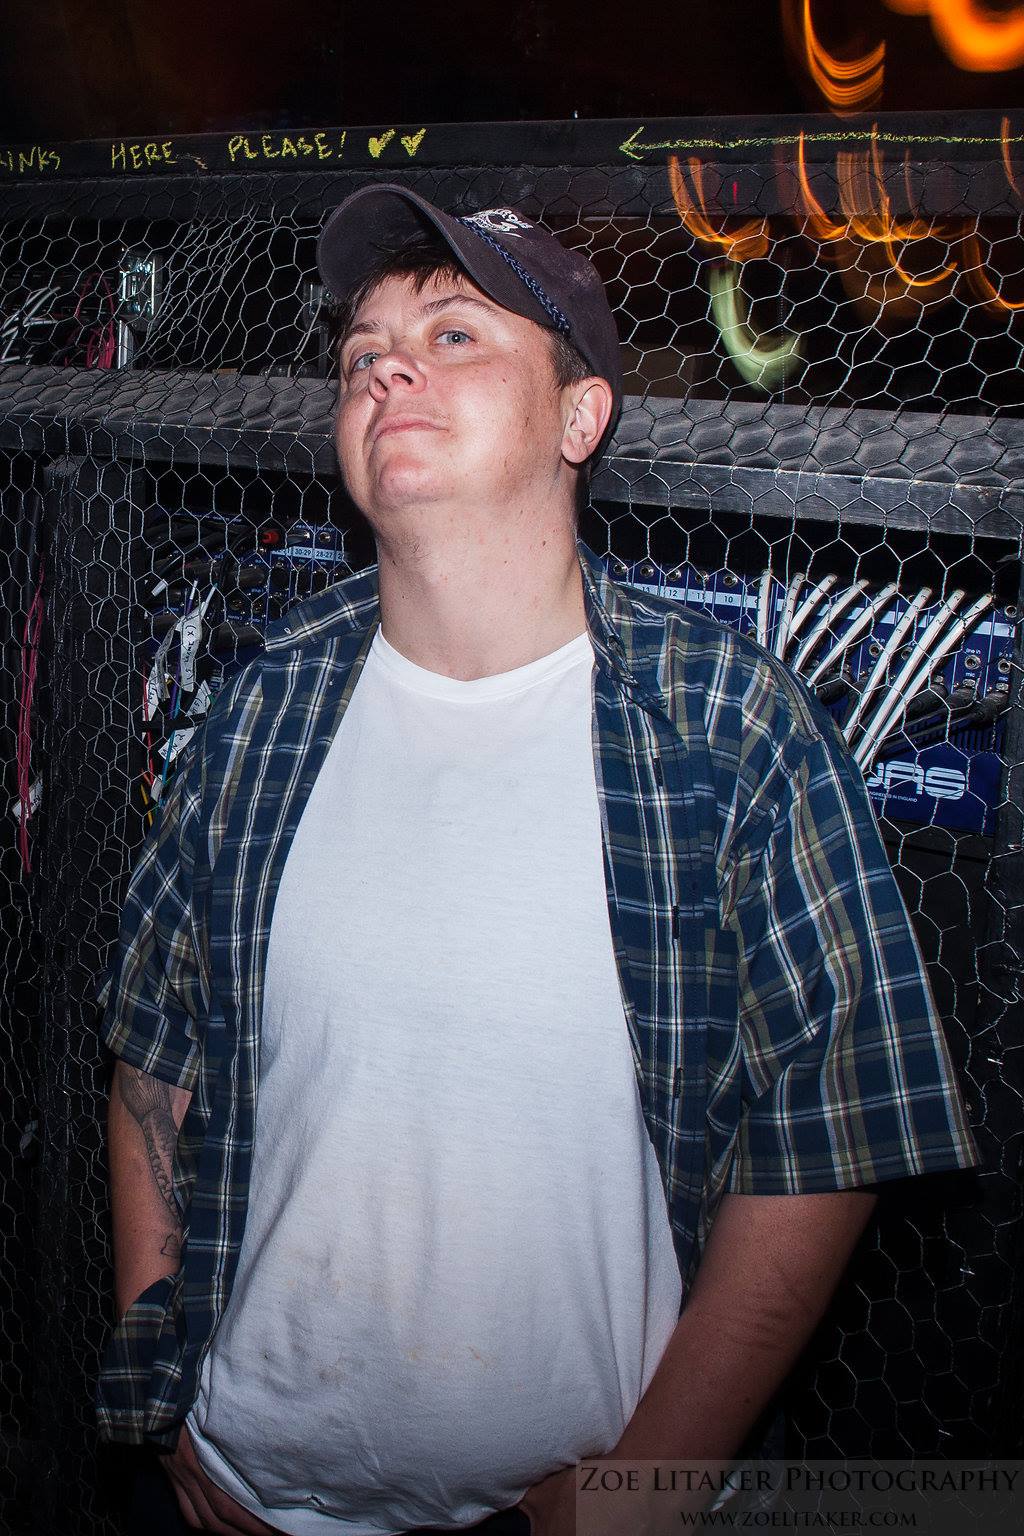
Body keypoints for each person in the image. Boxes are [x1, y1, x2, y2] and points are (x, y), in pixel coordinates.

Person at [97, 184, 978, 1536]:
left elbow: (833, 1136)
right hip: (244, 1494)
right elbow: (152, 1054)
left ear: (581, 417)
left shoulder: (721, 725)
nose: (387, 366)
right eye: (364, 351)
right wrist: (161, 1393)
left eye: (454, 334)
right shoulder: (267, 703)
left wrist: (643, 1491)